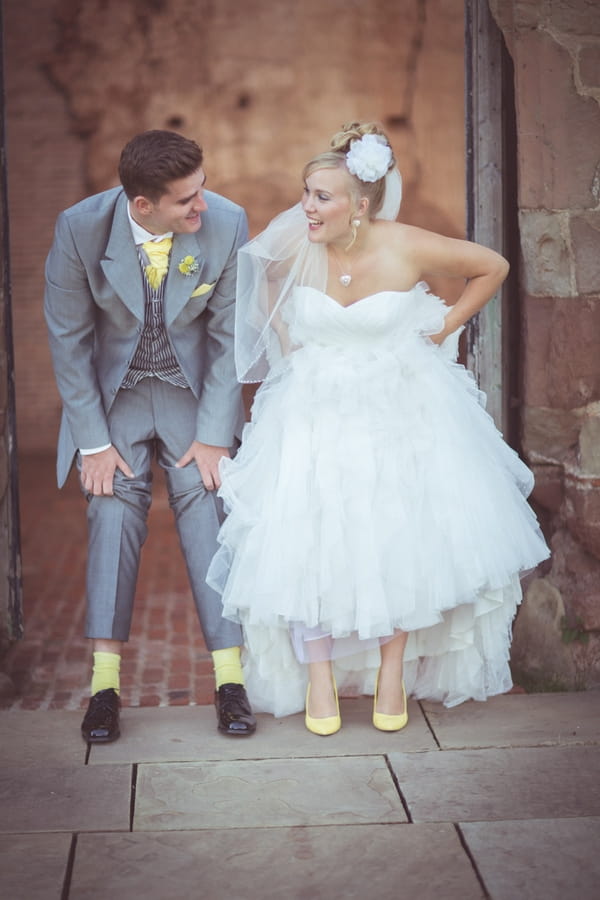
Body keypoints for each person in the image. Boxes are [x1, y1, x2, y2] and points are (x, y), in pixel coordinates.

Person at [206, 122, 550, 736]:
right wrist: (291, 347)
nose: (306, 208)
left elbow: (491, 266)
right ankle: (320, 678)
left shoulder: (406, 244)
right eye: (306, 193)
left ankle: (392, 672)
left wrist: (445, 325)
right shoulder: (296, 248)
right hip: (312, 415)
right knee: (304, 539)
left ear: (361, 206)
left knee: (397, 536)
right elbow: (263, 289)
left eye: (322, 197)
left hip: (398, 414)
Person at [44, 129, 256, 742]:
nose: (202, 207)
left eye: (203, 188)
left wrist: (216, 436)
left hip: (194, 397)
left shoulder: (228, 224)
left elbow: (228, 337)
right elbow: (68, 338)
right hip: (118, 399)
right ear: (143, 205)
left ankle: (229, 681)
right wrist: (92, 442)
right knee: (111, 511)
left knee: (208, 504)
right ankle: (104, 688)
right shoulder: (80, 228)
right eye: (186, 201)